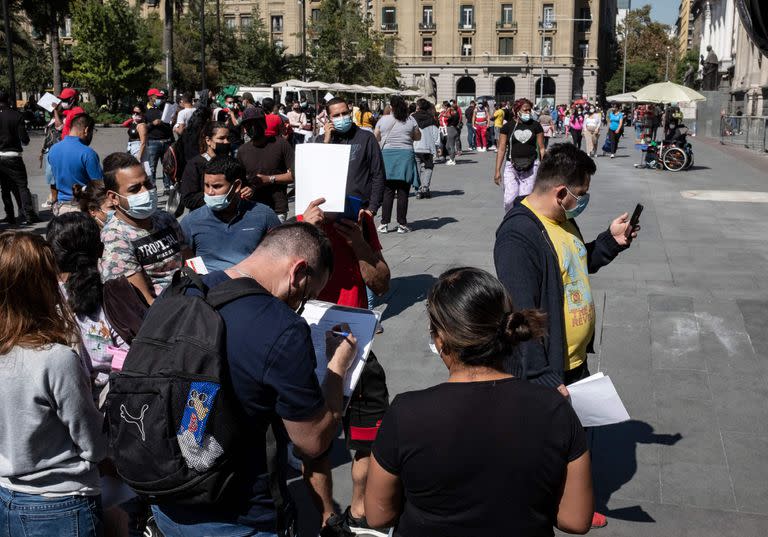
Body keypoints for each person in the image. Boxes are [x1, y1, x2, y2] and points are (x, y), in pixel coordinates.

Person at [151, 223, 358, 537]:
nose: (299, 306)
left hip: (165, 496)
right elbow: (312, 441)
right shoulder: (282, 327)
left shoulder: (181, 290)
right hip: (237, 515)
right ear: (299, 271)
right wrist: (337, 367)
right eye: (307, 294)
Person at [364, 267, 594, 536]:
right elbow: (575, 520)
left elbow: (378, 516)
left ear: (440, 339)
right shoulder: (555, 409)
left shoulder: (405, 414)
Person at [494, 144, 639, 529]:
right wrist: (544, 378)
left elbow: (574, 262)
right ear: (561, 192)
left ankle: (570, 500)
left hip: (573, 359)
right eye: (581, 194)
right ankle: (541, 509)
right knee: (545, 446)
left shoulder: (562, 220)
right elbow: (521, 316)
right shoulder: (518, 237)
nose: (583, 202)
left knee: (573, 441)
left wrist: (609, 242)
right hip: (548, 367)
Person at [0, 231, 107, 537]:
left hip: (8, 496)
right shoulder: (55, 359)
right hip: (62, 503)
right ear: (39, 287)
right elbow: (92, 442)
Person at [301, 192, 391, 537]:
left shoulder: (362, 220)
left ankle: (358, 511)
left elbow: (381, 283)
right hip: (310, 347)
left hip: (359, 347)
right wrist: (306, 234)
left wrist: (359, 243)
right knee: (315, 444)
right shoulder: (299, 223)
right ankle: (327, 518)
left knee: (368, 440)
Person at [47, 212, 124, 390]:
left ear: (51, 256)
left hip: (63, 395)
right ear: (101, 250)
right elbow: (128, 352)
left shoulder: (40, 300)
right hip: (113, 395)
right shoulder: (117, 296)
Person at [100, 152, 190, 305]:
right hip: (166, 310)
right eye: (135, 189)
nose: (146, 192)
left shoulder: (165, 218)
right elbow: (144, 301)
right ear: (114, 198)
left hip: (192, 291)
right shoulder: (115, 238)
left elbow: (189, 259)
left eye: (147, 184)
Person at [182, 156, 281, 272]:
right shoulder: (191, 221)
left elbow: (280, 254)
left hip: (250, 286)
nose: (210, 192)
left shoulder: (264, 215)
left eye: (217, 186)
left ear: (237, 186)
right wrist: (202, 279)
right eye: (206, 185)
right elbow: (185, 258)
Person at [318, 97, 386, 211]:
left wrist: (372, 209)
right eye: (336, 115)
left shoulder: (366, 138)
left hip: (359, 207)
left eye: (344, 113)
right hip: (328, 208)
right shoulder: (321, 140)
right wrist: (326, 141)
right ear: (328, 118)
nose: (341, 118)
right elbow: (316, 170)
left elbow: (378, 174)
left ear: (350, 113)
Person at [374, 95, 421, 234]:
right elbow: (417, 136)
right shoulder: (410, 119)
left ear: (391, 106)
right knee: (403, 192)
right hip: (405, 156)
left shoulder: (384, 119)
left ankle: (384, 223)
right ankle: (402, 224)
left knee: (387, 191)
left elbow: (376, 136)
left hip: (387, 156)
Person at [238, 107, 295, 222]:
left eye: (256, 123)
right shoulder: (242, 150)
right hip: (251, 209)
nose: (252, 127)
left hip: (277, 210)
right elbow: (240, 181)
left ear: (264, 123)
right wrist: (246, 190)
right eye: (248, 124)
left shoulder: (281, 144)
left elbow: (294, 175)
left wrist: (270, 179)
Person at [494, 98, 545, 213]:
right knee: (509, 199)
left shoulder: (536, 126)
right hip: (511, 166)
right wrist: (497, 170)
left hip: (531, 166)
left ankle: (521, 222)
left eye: (529, 110)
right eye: (525, 110)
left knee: (525, 200)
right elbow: (501, 149)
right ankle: (510, 218)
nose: (528, 113)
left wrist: (544, 167)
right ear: (516, 111)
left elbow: (542, 148)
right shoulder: (507, 127)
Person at [48, 113, 103, 216]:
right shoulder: (88, 153)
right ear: (86, 130)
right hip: (82, 208)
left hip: (61, 208)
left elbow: (52, 181)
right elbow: (98, 185)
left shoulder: (53, 149)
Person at [0, 89, 39, 226]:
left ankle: (9, 215)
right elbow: (24, 139)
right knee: (22, 186)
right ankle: (28, 214)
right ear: (9, 100)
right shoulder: (16, 116)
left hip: (0, 155)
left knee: (4, 188)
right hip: (13, 155)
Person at [180, 121, 231, 211]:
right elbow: (188, 198)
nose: (226, 142)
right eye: (221, 138)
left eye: (228, 138)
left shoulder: (231, 162)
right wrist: (218, 196)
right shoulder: (195, 164)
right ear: (208, 140)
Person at [144, 88, 174, 192]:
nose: (159, 99)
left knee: (167, 166)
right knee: (152, 167)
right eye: (157, 97)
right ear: (151, 98)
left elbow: (170, 126)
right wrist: (152, 124)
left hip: (166, 141)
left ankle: (168, 187)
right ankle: (152, 188)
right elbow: (142, 128)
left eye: (160, 97)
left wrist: (172, 120)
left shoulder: (164, 108)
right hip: (153, 142)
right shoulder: (145, 110)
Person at [412, 99, 440, 200]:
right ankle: (425, 188)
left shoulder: (412, 118)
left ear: (418, 107)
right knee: (428, 167)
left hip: (415, 146)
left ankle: (419, 189)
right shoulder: (432, 119)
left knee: (417, 168)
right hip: (428, 147)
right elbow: (436, 134)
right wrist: (437, 146)